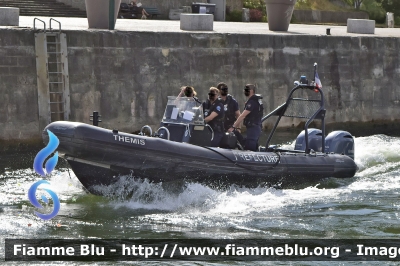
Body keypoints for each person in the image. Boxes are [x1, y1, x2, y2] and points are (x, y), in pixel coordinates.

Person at [228, 84, 263, 151]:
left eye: (247, 90)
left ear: (252, 91)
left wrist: (233, 126)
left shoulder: (252, 102)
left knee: (250, 148)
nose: (245, 91)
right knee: (248, 145)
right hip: (255, 127)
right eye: (244, 90)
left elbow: (242, 116)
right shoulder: (255, 101)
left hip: (253, 128)